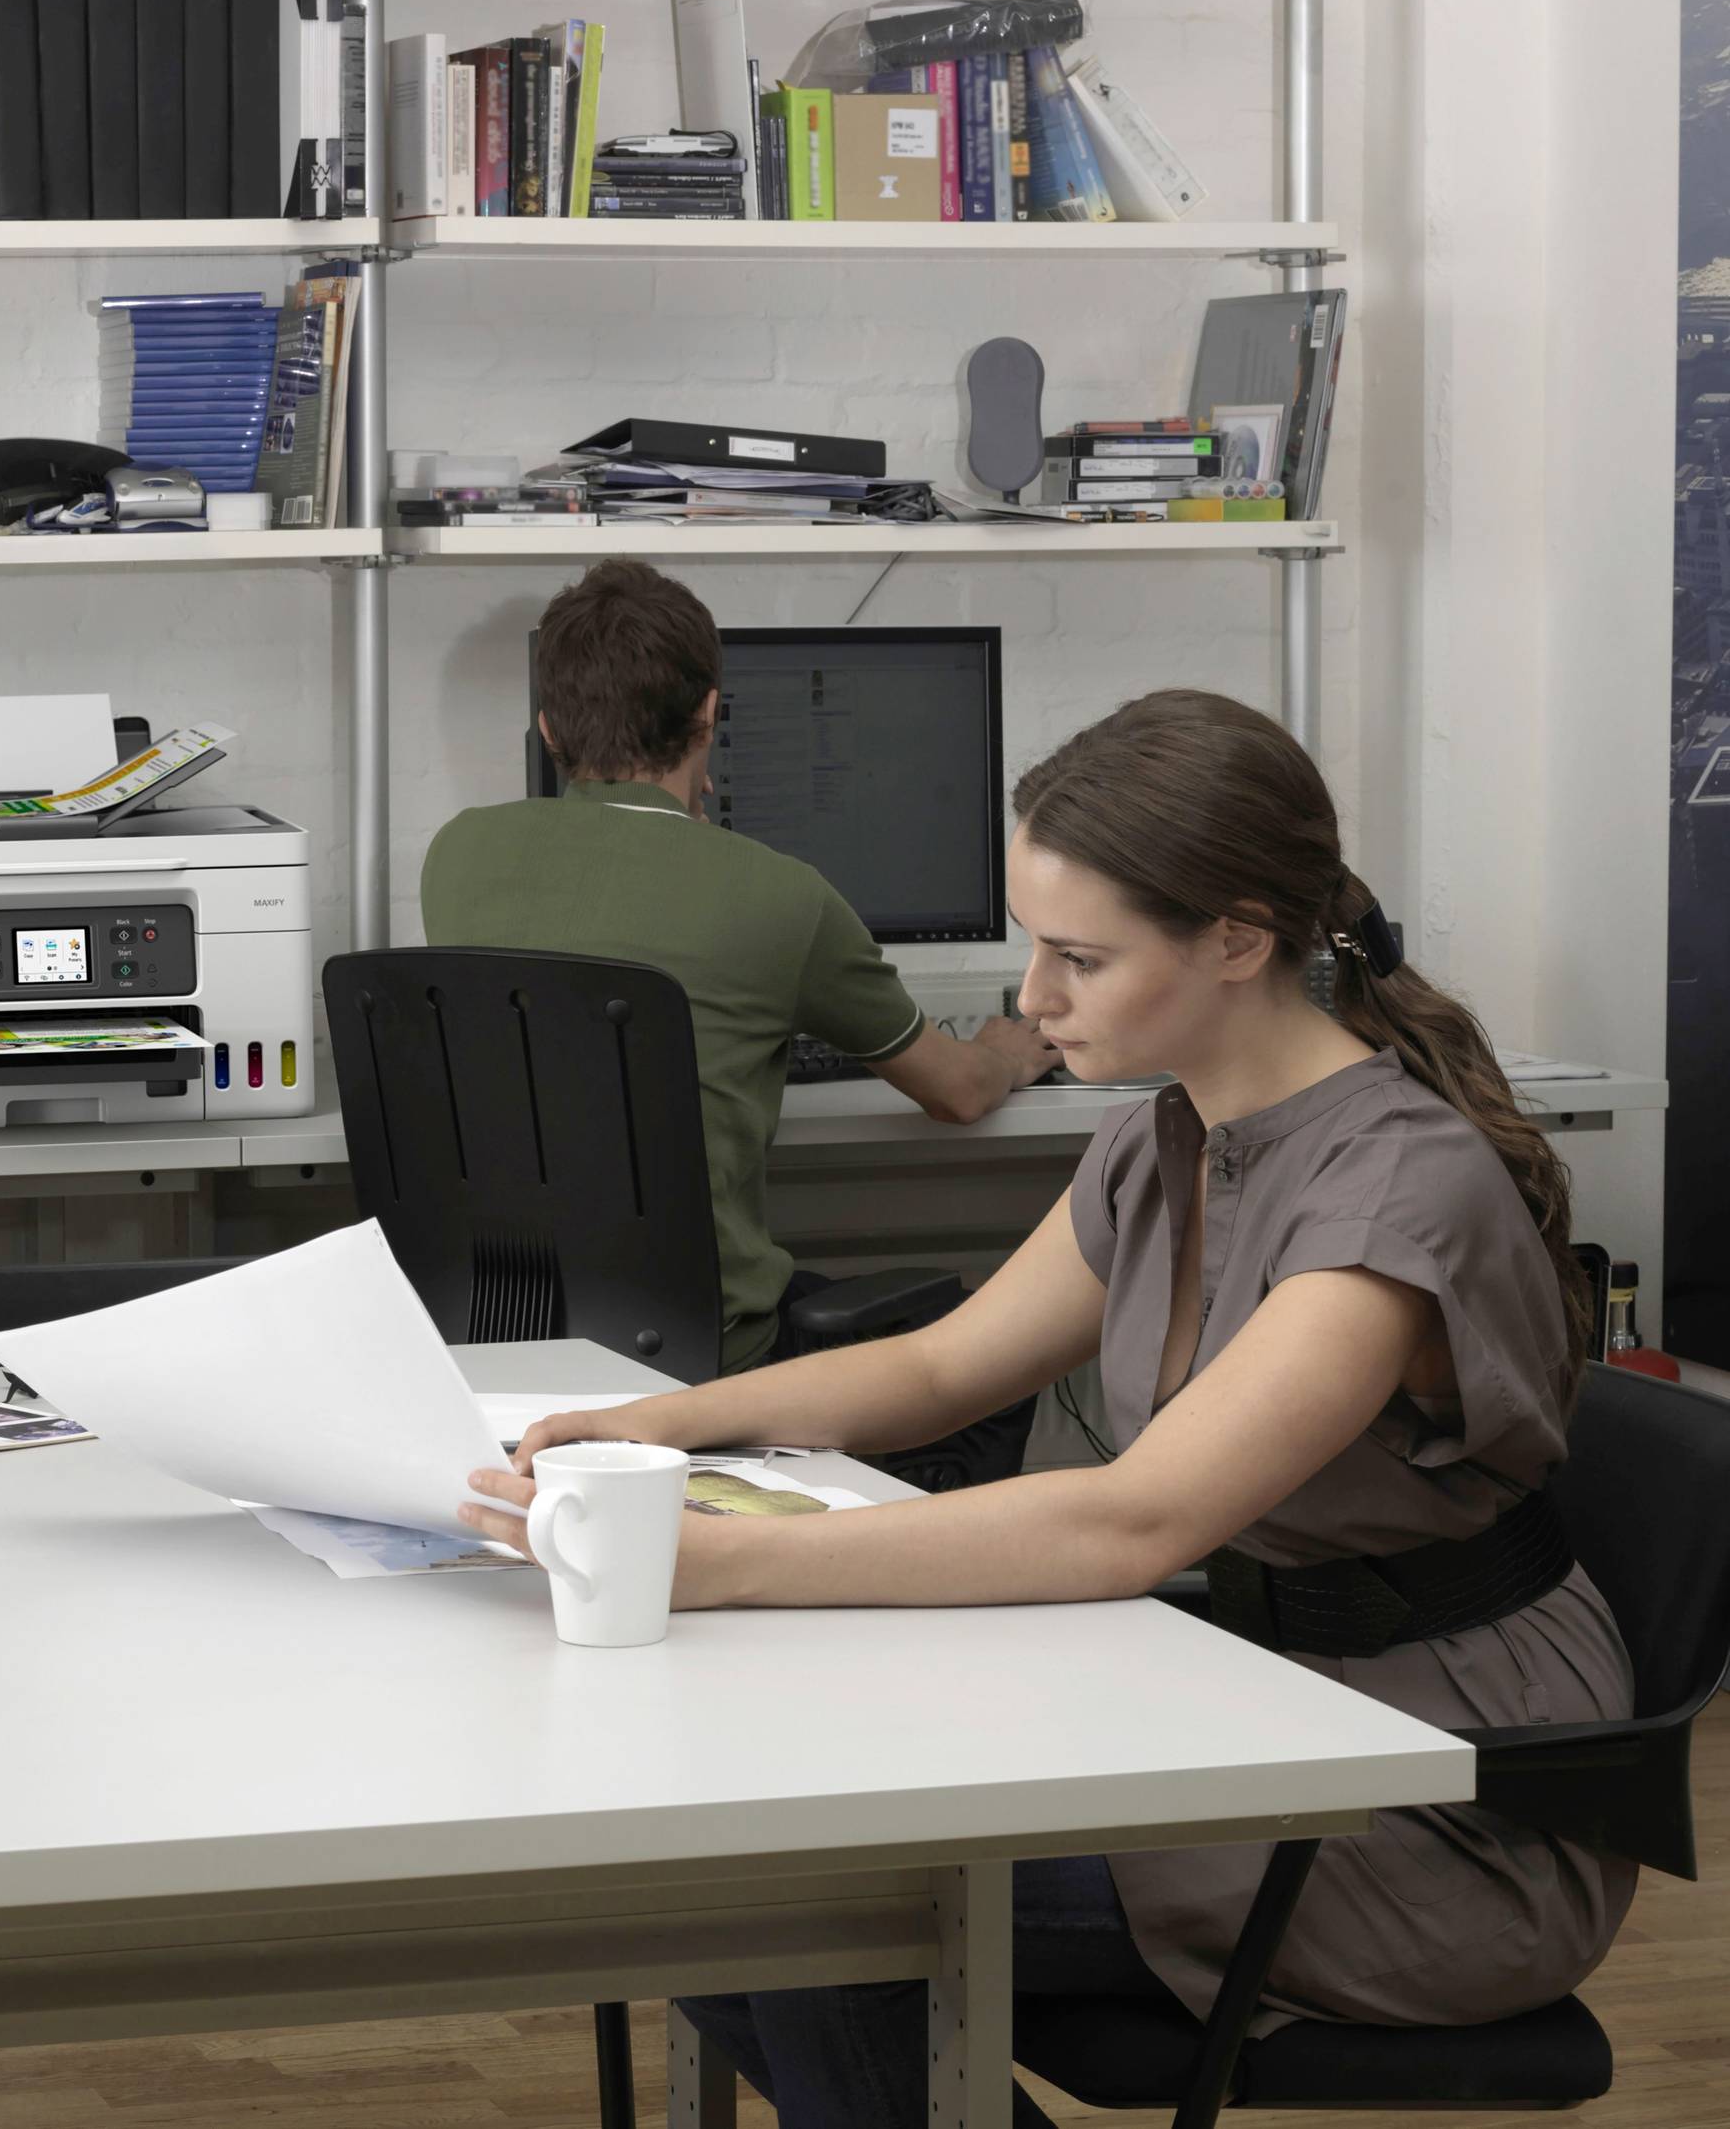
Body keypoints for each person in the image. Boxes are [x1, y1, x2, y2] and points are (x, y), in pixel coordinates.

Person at [459, 690, 1635, 2129]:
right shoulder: (1166, 1136)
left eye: (1079, 956)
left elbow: (1135, 1519)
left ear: (1240, 940)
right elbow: (944, 1367)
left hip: (1439, 1803)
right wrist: (669, 1423)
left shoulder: (1396, 1193)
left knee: (812, 1917)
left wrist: (713, 1563)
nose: (1030, 999)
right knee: (718, 1903)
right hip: (1252, 1712)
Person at [418, 560, 1058, 1371]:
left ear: (548, 728)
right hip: (705, 1350)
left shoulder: (456, 854)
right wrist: (999, 1054)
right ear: (709, 715)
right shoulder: (780, 896)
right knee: (997, 1353)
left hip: (506, 1334)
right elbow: (958, 1094)